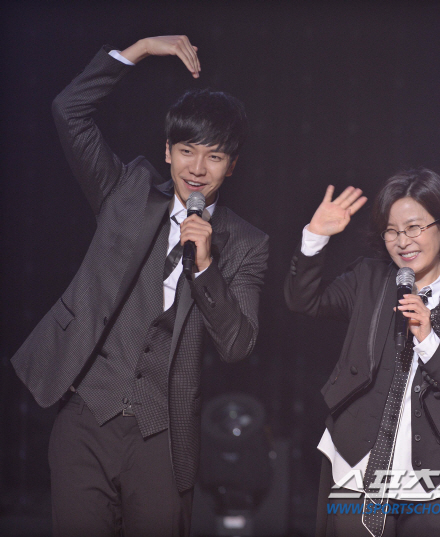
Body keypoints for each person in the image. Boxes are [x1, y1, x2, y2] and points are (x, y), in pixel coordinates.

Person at [11, 35, 269, 537]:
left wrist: (207, 267)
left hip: (163, 436)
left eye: (214, 157)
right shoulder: (127, 191)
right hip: (87, 414)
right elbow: (69, 112)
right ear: (167, 152)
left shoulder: (247, 244)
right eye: (187, 151)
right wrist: (141, 49)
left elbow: (238, 344)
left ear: (232, 164)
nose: (198, 169)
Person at [284, 169, 440, 537]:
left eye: (414, 228)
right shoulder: (367, 278)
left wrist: (428, 340)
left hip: (434, 480)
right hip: (357, 462)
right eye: (392, 231)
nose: (402, 242)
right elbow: (304, 301)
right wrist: (314, 237)